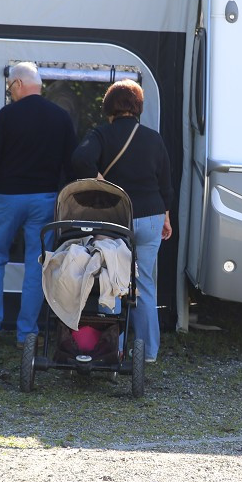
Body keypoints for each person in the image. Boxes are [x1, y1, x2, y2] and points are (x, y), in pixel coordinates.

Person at [71, 79, 173, 363]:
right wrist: (166, 216)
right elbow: (165, 183)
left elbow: (80, 159)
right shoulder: (154, 138)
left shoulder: (101, 135)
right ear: (138, 107)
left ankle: (111, 350)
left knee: (111, 281)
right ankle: (149, 353)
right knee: (145, 284)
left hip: (115, 218)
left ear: (108, 107)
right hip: (151, 216)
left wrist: (101, 181)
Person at [0, 62, 78, 345]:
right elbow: (71, 162)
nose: (10, 94)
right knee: (36, 263)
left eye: (10, 88)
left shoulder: (8, 115)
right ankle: (27, 333)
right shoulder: (60, 117)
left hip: (8, 197)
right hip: (44, 198)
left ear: (19, 84)